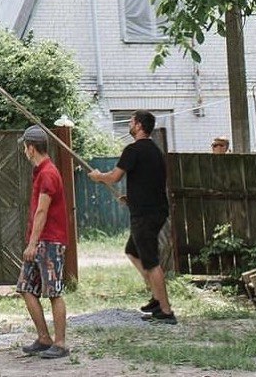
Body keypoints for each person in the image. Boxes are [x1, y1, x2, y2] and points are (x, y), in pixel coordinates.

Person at [88, 111, 176, 323]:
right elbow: (149, 181)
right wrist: (132, 197)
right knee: (132, 251)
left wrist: (99, 177)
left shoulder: (133, 150)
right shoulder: (155, 151)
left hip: (145, 215)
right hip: (154, 210)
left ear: (138, 126)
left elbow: (114, 177)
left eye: (131, 121)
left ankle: (166, 311)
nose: (129, 124)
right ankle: (156, 297)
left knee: (151, 261)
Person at [16, 125, 70, 360]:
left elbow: (42, 211)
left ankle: (60, 343)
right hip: (39, 240)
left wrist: (32, 243)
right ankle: (44, 338)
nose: (24, 151)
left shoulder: (48, 173)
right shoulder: (40, 171)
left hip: (49, 242)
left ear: (31, 148)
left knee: (54, 292)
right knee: (26, 288)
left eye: (25, 147)